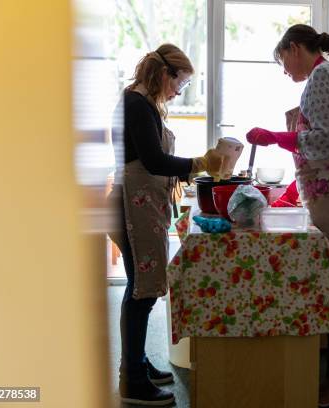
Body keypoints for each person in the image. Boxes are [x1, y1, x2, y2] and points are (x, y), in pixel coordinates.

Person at [246, 25, 329, 408]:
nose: (285, 69)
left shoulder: (323, 77)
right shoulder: (325, 77)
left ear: (295, 48)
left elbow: (325, 140)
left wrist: (274, 138)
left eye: (283, 60)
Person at [109, 43, 223, 406]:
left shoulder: (142, 102)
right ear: (165, 73)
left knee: (141, 288)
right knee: (141, 291)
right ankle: (133, 382)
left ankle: (137, 364)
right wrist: (200, 163)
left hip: (138, 204)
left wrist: (198, 165)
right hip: (131, 206)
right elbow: (155, 161)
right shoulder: (136, 104)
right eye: (181, 83)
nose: (179, 91)